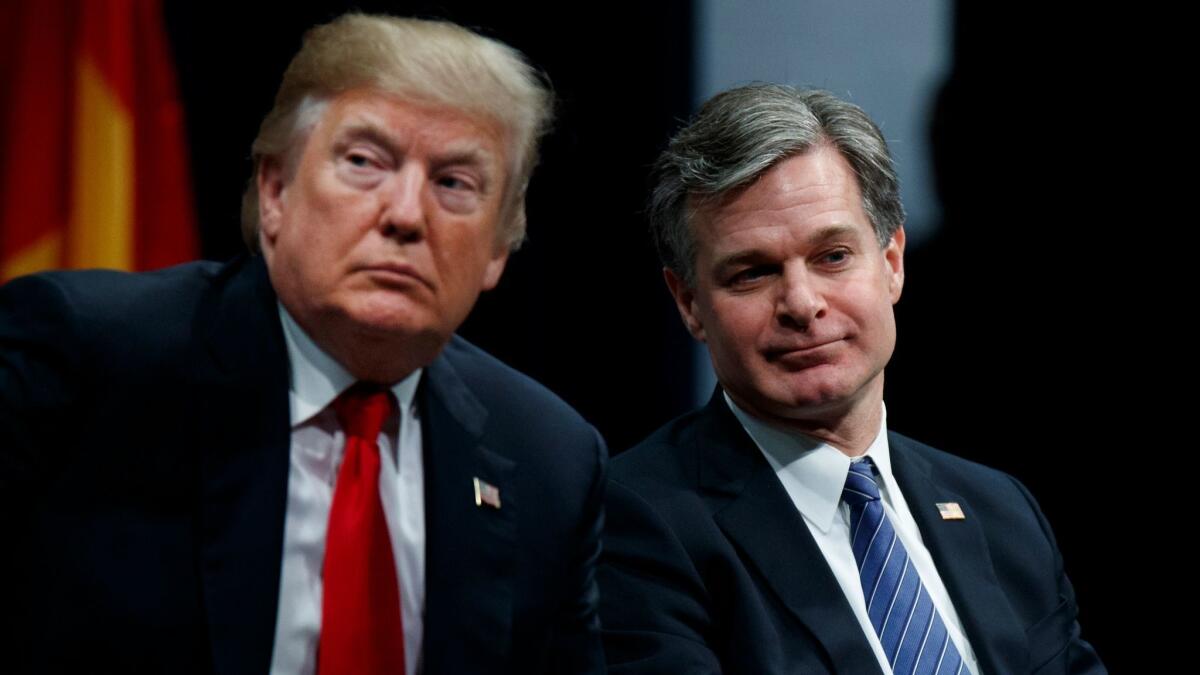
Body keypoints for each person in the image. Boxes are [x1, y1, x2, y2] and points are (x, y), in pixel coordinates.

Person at [0, 14, 605, 675]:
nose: (406, 214)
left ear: (497, 250)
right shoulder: (91, 360)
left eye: (454, 182)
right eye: (365, 162)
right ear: (275, 193)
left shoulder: (548, 457)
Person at [598, 84, 1104, 675]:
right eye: (753, 272)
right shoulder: (637, 522)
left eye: (832, 256)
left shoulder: (1001, 513)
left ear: (892, 264)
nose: (802, 302)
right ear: (688, 303)